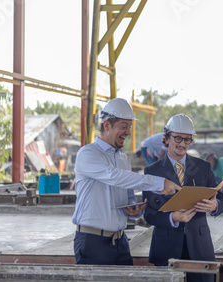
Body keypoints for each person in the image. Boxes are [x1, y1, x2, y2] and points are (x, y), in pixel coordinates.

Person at [72, 98, 181, 266]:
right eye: (124, 126)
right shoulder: (88, 154)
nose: (128, 132)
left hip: (120, 242)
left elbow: (127, 192)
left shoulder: (123, 159)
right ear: (107, 125)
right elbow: (115, 176)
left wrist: (133, 208)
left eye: (129, 127)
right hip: (92, 241)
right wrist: (160, 183)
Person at [143, 113, 223, 282]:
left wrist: (214, 206)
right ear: (166, 138)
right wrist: (172, 217)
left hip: (199, 247)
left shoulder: (203, 167)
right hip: (167, 248)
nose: (182, 144)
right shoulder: (152, 172)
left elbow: (222, 200)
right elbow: (149, 214)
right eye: (177, 138)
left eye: (187, 140)